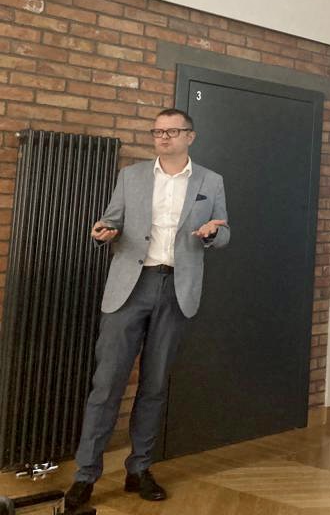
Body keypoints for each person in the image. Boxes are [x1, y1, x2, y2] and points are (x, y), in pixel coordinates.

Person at [64, 108, 230, 511]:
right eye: (158, 132)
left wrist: (213, 233)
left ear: (190, 136)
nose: (163, 137)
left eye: (172, 131)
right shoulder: (132, 176)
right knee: (107, 385)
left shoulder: (210, 181)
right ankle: (85, 475)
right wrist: (102, 232)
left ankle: (139, 469)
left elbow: (223, 232)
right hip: (129, 287)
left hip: (176, 289)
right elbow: (110, 221)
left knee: (154, 386)